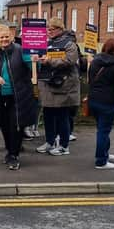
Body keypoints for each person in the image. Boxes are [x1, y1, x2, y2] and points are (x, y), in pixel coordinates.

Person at [0, 25, 37, 170]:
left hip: (19, 96)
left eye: (6, 36)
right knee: (4, 126)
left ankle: (13, 155)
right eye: (1, 37)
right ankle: (10, 152)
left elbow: (32, 67)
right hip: (1, 97)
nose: (4, 39)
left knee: (16, 126)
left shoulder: (20, 50)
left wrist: (34, 61)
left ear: (11, 36)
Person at [33, 17, 80, 156]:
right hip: (47, 84)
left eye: (52, 29)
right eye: (48, 29)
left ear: (60, 29)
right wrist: (36, 59)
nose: (49, 31)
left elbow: (70, 61)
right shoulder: (46, 43)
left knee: (62, 116)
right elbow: (40, 58)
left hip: (62, 86)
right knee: (48, 115)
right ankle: (50, 142)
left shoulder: (70, 44)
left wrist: (50, 60)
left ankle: (64, 146)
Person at [88, 38, 114, 169]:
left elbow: (90, 80)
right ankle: (101, 161)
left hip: (93, 100)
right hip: (108, 102)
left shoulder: (94, 61)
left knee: (102, 129)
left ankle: (104, 153)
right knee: (103, 131)